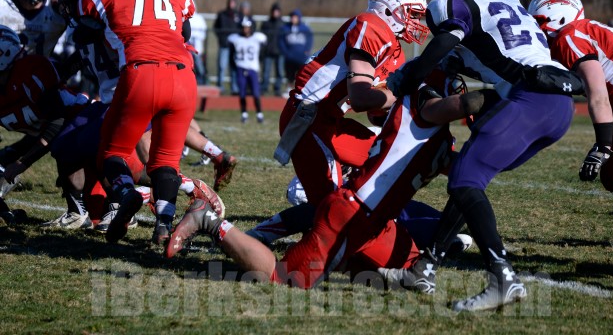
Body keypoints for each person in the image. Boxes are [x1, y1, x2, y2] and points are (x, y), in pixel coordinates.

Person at [381, 0, 583, 312]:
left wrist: (408, 78)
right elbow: (480, 54)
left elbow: (444, 43)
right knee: (470, 178)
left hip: (531, 98)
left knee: (464, 180)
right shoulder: (513, 7)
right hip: (558, 105)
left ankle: (502, 278)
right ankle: (424, 267)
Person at [165, 68, 483, 288]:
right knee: (285, 278)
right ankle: (208, 220)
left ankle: (340, 259)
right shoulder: (419, 112)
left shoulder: (436, 137)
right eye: (451, 88)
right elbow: (464, 104)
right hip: (351, 214)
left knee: (409, 271)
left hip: (377, 224)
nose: (458, 92)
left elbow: (469, 169)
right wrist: (502, 101)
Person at [247, 0, 429, 242]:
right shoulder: (370, 25)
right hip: (308, 118)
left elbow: (374, 112)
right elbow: (361, 98)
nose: (415, 21)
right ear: (389, 8)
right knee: (334, 209)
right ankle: (259, 234)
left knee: (386, 159)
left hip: (331, 122)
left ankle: (339, 181)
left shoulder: (396, 51)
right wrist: (404, 95)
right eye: (411, 13)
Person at [78, 0, 197, 245]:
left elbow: (82, 20)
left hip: (141, 74)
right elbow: (185, 32)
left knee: (112, 152)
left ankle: (125, 193)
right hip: (184, 78)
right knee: (166, 160)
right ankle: (164, 225)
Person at [529, 0, 613, 212]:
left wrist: (603, 145)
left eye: (538, 21)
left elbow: (598, 93)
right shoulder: (582, 32)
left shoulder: (568, 37)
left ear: (559, 18)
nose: (535, 28)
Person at [0, 25, 88, 224]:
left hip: (81, 122)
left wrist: (23, 163)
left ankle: (83, 209)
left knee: (64, 146)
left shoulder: (29, 72)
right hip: (53, 133)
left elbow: (57, 121)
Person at [228, 17, 267, 123]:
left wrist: (259, 60)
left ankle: (259, 114)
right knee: (242, 93)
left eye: (247, 27)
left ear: (251, 28)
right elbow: (231, 55)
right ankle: (244, 114)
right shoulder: (236, 39)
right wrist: (234, 66)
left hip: (253, 68)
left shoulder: (257, 38)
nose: (245, 29)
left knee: (256, 92)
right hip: (241, 68)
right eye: (244, 27)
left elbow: (263, 52)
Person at [278, 9, 314, 91]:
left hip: (301, 57)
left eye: (295, 17)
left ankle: (301, 91)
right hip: (289, 57)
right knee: (289, 76)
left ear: (299, 18)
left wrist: (306, 51)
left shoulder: (305, 28)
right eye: (292, 17)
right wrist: (286, 53)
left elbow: (309, 41)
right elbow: (281, 41)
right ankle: (289, 90)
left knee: (302, 75)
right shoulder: (285, 28)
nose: (293, 19)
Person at [214, 0, 240, 94]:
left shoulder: (239, 15)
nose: (231, 3)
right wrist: (221, 38)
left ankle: (234, 88)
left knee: (234, 67)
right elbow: (216, 27)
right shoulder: (222, 14)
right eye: (230, 1)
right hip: (224, 45)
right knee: (222, 66)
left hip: (235, 47)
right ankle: (220, 87)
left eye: (233, 1)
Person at [260, 2, 285, 96]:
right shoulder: (266, 24)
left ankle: (277, 88)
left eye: (277, 11)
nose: (275, 13)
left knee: (280, 72)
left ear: (280, 12)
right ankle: (264, 88)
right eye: (274, 11)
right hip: (268, 52)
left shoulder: (283, 24)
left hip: (279, 52)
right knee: (266, 72)